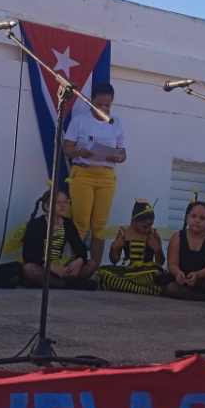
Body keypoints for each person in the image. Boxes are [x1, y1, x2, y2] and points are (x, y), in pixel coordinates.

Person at [63, 83, 126, 279]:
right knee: (81, 223)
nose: (104, 109)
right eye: (100, 105)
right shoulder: (80, 121)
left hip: (106, 175)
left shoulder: (116, 122)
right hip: (83, 173)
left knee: (100, 226)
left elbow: (123, 153)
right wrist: (80, 152)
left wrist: (117, 156)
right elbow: (67, 148)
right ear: (91, 102)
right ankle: (73, 266)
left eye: (108, 105)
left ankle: (93, 269)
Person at [21, 188, 97, 290]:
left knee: (92, 264)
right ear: (47, 206)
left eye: (65, 202)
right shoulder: (36, 224)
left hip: (62, 266)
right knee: (29, 269)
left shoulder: (67, 224)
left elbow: (81, 249)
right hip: (44, 266)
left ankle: (64, 283)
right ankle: (67, 284)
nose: (63, 206)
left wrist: (79, 261)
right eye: (58, 202)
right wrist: (51, 267)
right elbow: (29, 255)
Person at [162, 196, 205, 301]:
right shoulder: (177, 236)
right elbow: (172, 264)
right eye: (193, 216)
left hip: (203, 279)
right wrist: (178, 273)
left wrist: (197, 275)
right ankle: (204, 298)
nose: (197, 221)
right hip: (182, 278)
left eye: (202, 218)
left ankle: (196, 295)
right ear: (187, 218)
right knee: (170, 288)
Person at [97, 199, 166, 296]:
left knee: (155, 274)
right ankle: (147, 290)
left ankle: (124, 286)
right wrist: (115, 248)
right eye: (143, 220)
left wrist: (158, 250)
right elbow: (114, 260)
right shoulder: (123, 232)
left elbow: (160, 263)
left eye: (151, 219)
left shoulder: (154, 234)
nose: (148, 222)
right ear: (134, 220)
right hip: (128, 271)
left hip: (146, 271)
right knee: (102, 272)